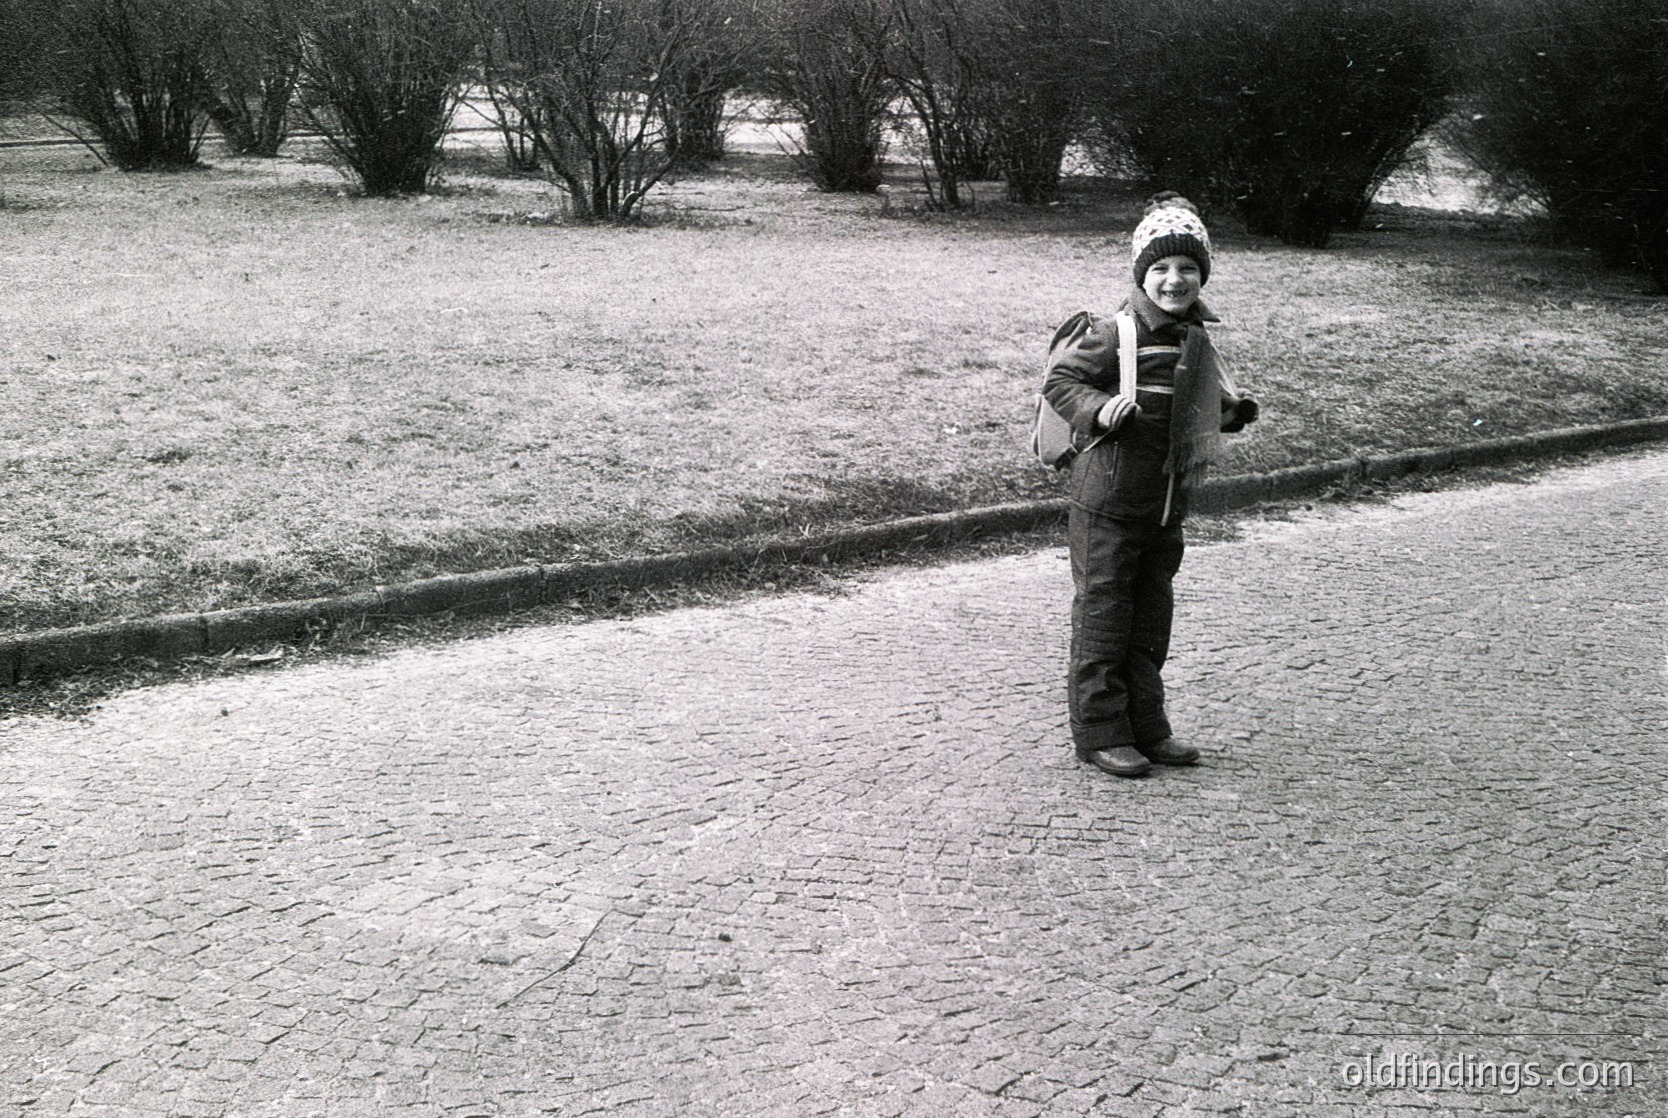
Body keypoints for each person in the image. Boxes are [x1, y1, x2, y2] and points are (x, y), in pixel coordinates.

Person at [1042, 192, 1259, 778]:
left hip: (1165, 508)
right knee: (1104, 617)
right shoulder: (1116, 332)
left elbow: (1193, 408)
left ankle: (1147, 727)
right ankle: (1100, 733)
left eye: (1188, 268)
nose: (1174, 280)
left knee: (1150, 620)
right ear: (1142, 274)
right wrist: (1100, 407)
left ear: (1202, 276)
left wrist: (1230, 412)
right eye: (1161, 268)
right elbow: (1061, 381)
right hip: (1107, 503)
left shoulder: (1195, 339)